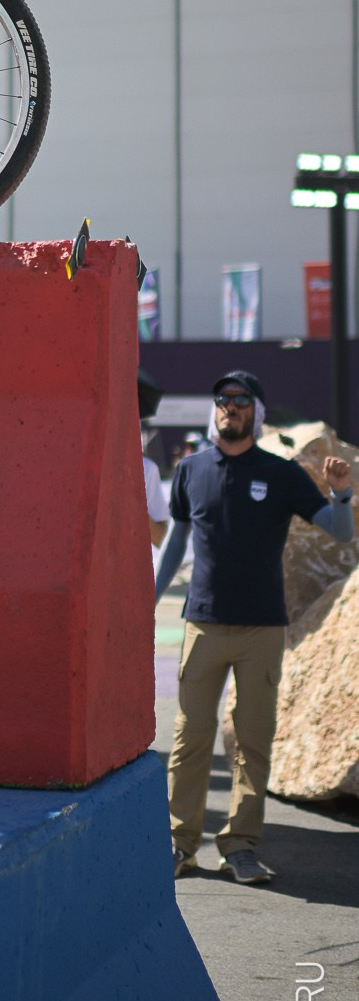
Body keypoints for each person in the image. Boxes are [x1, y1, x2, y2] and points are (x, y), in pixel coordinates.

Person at [155, 370, 353, 884]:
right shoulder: (191, 469)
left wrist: (342, 496)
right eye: (223, 400)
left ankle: (240, 847)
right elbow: (177, 540)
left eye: (242, 401)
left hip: (262, 629)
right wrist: (147, 599)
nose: (231, 407)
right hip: (202, 624)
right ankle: (180, 844)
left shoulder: (283, 473)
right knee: (189, 739)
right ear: (215, 409)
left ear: (256, 413)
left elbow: (339, 534)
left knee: (252, 740)